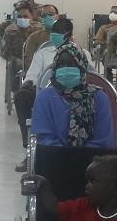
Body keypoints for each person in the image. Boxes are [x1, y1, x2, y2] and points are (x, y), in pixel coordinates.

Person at [14, 16, 77, 168]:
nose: (55, 36)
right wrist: (28, 84)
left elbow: (94, 77)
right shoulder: (43, 53)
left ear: (69, 35)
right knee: (22, 96)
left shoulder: (82, 53)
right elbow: (32, 76)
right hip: (46, 92)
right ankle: (30, 148)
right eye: (54, 33)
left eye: (59, 33)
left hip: (76, 93)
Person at [31, 45, 114, 148]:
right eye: (61, 65)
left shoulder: (99, 98)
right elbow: (44, 139)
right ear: (55, 69)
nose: (66, 68)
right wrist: (65, 155)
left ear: (82, 67)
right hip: (54, 155)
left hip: (94, 156)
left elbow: (104, 140)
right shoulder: (44, 98)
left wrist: (81, 155)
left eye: (71, 64)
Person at [21, 4, 60, 74]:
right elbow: (28, 60)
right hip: (39, 73)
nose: (47, 17)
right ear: (41, 19)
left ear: (57, 16)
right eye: (44, 15)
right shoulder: (34, 37)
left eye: (50, 14)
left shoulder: (65, 36)